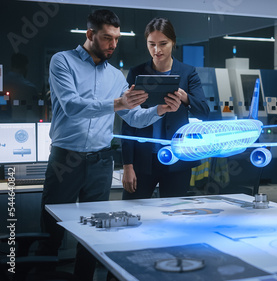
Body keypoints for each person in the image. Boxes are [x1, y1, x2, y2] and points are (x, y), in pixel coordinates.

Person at [36, 10, 182, 280]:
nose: (113, 45)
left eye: (116, 39)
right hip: (65, 160)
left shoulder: (117, 76)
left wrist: (159, 110)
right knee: (51, 232)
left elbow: (134, 119)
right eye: (106, 38)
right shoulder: (62, 61)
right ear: (90, 34)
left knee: (96, 236)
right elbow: (71, 107)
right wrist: (120, 103)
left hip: (101, 162)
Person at [121, 17, 209, 200]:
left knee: (173, 215)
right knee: (133, 210)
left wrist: (185, 97)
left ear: (173, 42)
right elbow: (128, 121)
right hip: (143, 160)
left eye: (163, 44)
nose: (157, 50)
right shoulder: (136, 73)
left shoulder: (188, 73)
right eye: (151, 44)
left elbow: (203, 111)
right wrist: (127, 165)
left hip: (177, 159)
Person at [2, 53, 40, 122]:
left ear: (12, 65)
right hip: (22, 126)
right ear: (25, 67)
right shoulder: (30, 88)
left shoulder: (2, 83)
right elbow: (35, 115)